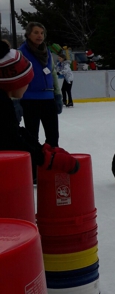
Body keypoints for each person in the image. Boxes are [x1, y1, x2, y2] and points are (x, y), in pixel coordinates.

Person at [0, 40, 79, 176]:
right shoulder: (2, 104)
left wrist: (43, 149)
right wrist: (47, 159)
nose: (29, 85)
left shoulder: (4, 100)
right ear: (15, 81)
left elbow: (13, 132)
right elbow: (10, 141)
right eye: (27, 81)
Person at [19, 22, 62, 183]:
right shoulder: (21, 53)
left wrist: (57, 95)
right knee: (32, 138)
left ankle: (52, 166)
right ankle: (34, 172)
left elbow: (53, 74)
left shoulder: (48, 52)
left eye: (42, 33)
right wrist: (16, 101)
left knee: (53, 136)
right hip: (30, 100)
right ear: (28, 34)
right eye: (36, 32)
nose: (39, 36)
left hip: (48, 99)